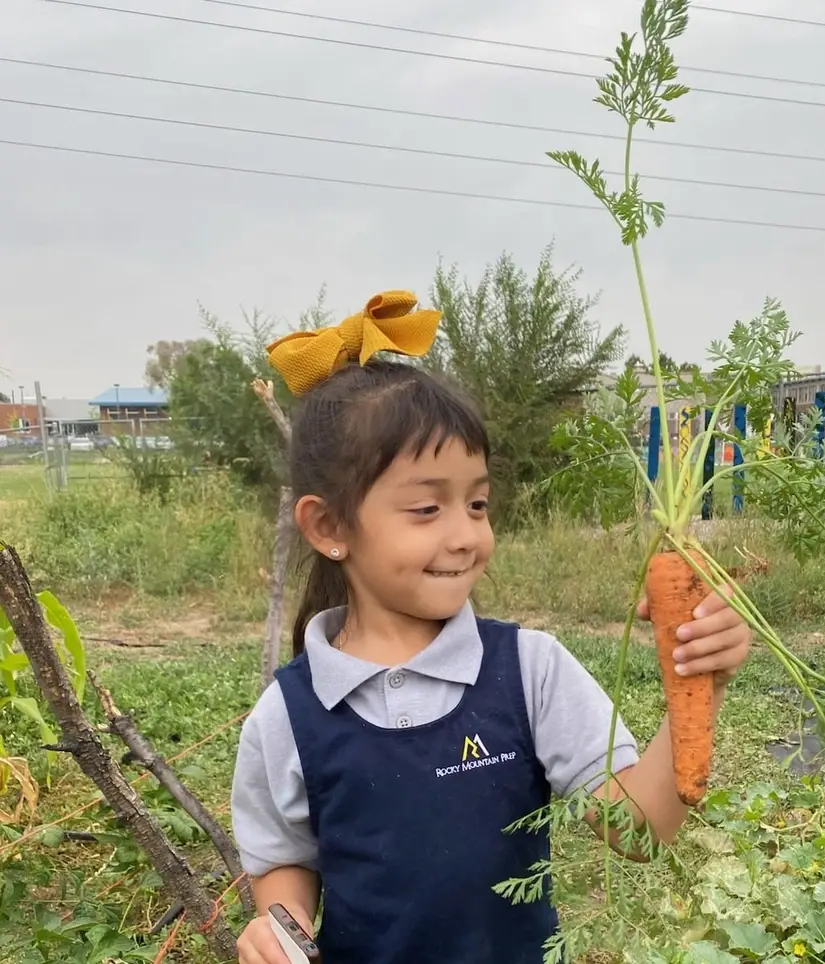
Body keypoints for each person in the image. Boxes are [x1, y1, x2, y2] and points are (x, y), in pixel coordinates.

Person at [232, 291, 751, 964]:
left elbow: (639, 831)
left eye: (477, 503)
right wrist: (280, 928)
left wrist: (700, 682)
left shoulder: (529, 671)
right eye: (427, 508)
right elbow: (284, 861)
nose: (466, 535)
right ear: (329, 525)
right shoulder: (288, 715)